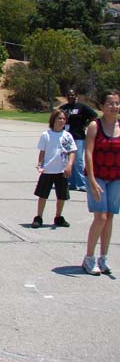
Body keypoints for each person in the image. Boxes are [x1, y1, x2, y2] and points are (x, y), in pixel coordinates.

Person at [82, 90, 120, 275]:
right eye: (110, 103)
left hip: (116, 177)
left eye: (117, 103)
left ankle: (103, 258)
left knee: (110, 217)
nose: (114, 107)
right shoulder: (94, 126)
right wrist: (91, 180)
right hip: (97, 176)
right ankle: (89, 258)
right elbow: (88, 153)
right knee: (101, 217)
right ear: (102, 106)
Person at [31, 109, 76, 228]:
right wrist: (40, 164)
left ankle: (58, 217)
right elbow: (42, 152)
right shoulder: (46, 135)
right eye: (59, 118)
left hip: (62, 170)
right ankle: (39, 217)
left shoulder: (67, 136)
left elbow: (72, 151)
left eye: (63, 119)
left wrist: (69, 165)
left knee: (61, 196)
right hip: (48, 170)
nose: (61, 121)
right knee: (43, 195)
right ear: (53, 120)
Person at [60, 89, 97, 191]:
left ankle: (82, 183)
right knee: (68, 160)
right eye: (69, 95)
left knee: (78, 160)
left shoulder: (82, 107)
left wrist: (86, 124)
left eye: (72, 95)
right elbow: (56, 118)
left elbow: (94, 115)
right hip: (66, 137)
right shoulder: (64, 108)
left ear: (76, 96)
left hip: (78, 137)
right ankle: (71, 183)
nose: (70, 97)